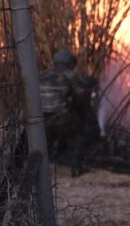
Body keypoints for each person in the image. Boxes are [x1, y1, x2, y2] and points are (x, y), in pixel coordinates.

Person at [39, 49, 92, 177]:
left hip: (40, 116)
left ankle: (42, 170)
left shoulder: (43, 74)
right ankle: (76, 168)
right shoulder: (68, 74)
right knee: (78, 134)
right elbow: (81, 94)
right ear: (69, 63)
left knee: (45, 142)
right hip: (59, 115)